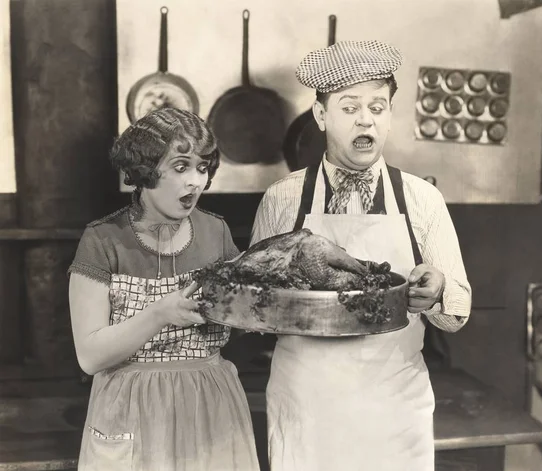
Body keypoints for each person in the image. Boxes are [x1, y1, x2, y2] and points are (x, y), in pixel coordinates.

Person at [250, 40, 472, 471]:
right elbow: (256, 309)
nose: (365, 120)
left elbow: (457, 313)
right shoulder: (283, 198)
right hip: (306, 406)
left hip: (392, 408)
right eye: (349, 108)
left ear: (390, 114)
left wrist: (439, 290)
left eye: (378, 106)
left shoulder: (423, 199)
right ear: (320, 116)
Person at [68, 108, 260, 471]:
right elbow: (90, 356)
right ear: (144, 170)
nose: (195, 182)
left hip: (210, 404)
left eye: (202, 168)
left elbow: (246, 309)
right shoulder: (103, 239)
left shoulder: (216, 232)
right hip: (131, 408)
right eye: (181, 166)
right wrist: (160, 313)